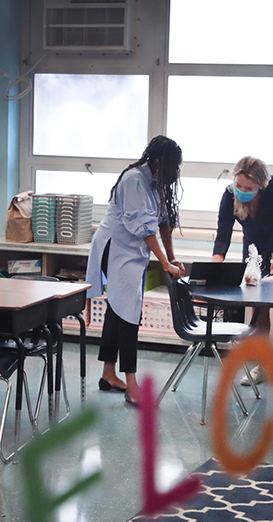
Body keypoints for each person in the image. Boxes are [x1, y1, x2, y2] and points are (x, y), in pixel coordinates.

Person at [87, 135, 185, 406]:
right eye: (173, 167)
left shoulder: (157, 182)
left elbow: (164, 222)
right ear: (157, 162)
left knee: (119, 309)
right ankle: (131, 384)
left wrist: (172, 258)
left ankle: (108, 375)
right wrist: (163, 262)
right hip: (115, 247)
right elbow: (143, 226)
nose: (175, 173)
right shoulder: (133, 180)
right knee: (129, 311)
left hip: (132, 250)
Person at [212, 156, 273, 387]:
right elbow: (223, 231)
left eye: (249, 188)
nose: (242, 191)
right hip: (254, 245)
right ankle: (263, 364)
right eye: (239, 186)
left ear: (261, 186)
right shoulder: (229, 195)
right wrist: (215, 264)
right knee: (258, 307)